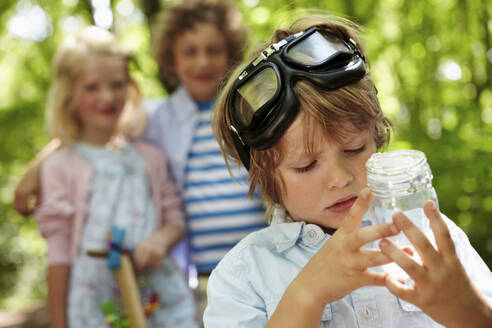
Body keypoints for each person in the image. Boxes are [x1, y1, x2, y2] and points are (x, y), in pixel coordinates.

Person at [204, 13, 492, 327]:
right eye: (306, 165)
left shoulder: (431, 237)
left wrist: (469, 313)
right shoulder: (244, 274)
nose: (341, 178)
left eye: (354, 149)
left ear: (377, 137)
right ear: (266, 178)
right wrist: (307, 295)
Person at [13, 0, 267, 283]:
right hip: (200, 276)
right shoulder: (153, 118)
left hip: (261, 264)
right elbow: (91, 134)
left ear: (231, 51)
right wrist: (36, 170)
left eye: (214, 50)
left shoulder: (250, 111)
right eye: (190, 52)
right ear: (172, 58)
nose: (203, 62)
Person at [35, 26, 198, 327]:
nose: (107, 97)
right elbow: (58, 256)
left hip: (159, 299)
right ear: (69, 94)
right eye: (92, 87)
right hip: (95, 307)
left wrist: (161, 241)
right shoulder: (60, 165)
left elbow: (176, 219)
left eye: (117, 84)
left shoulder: (149, 157)